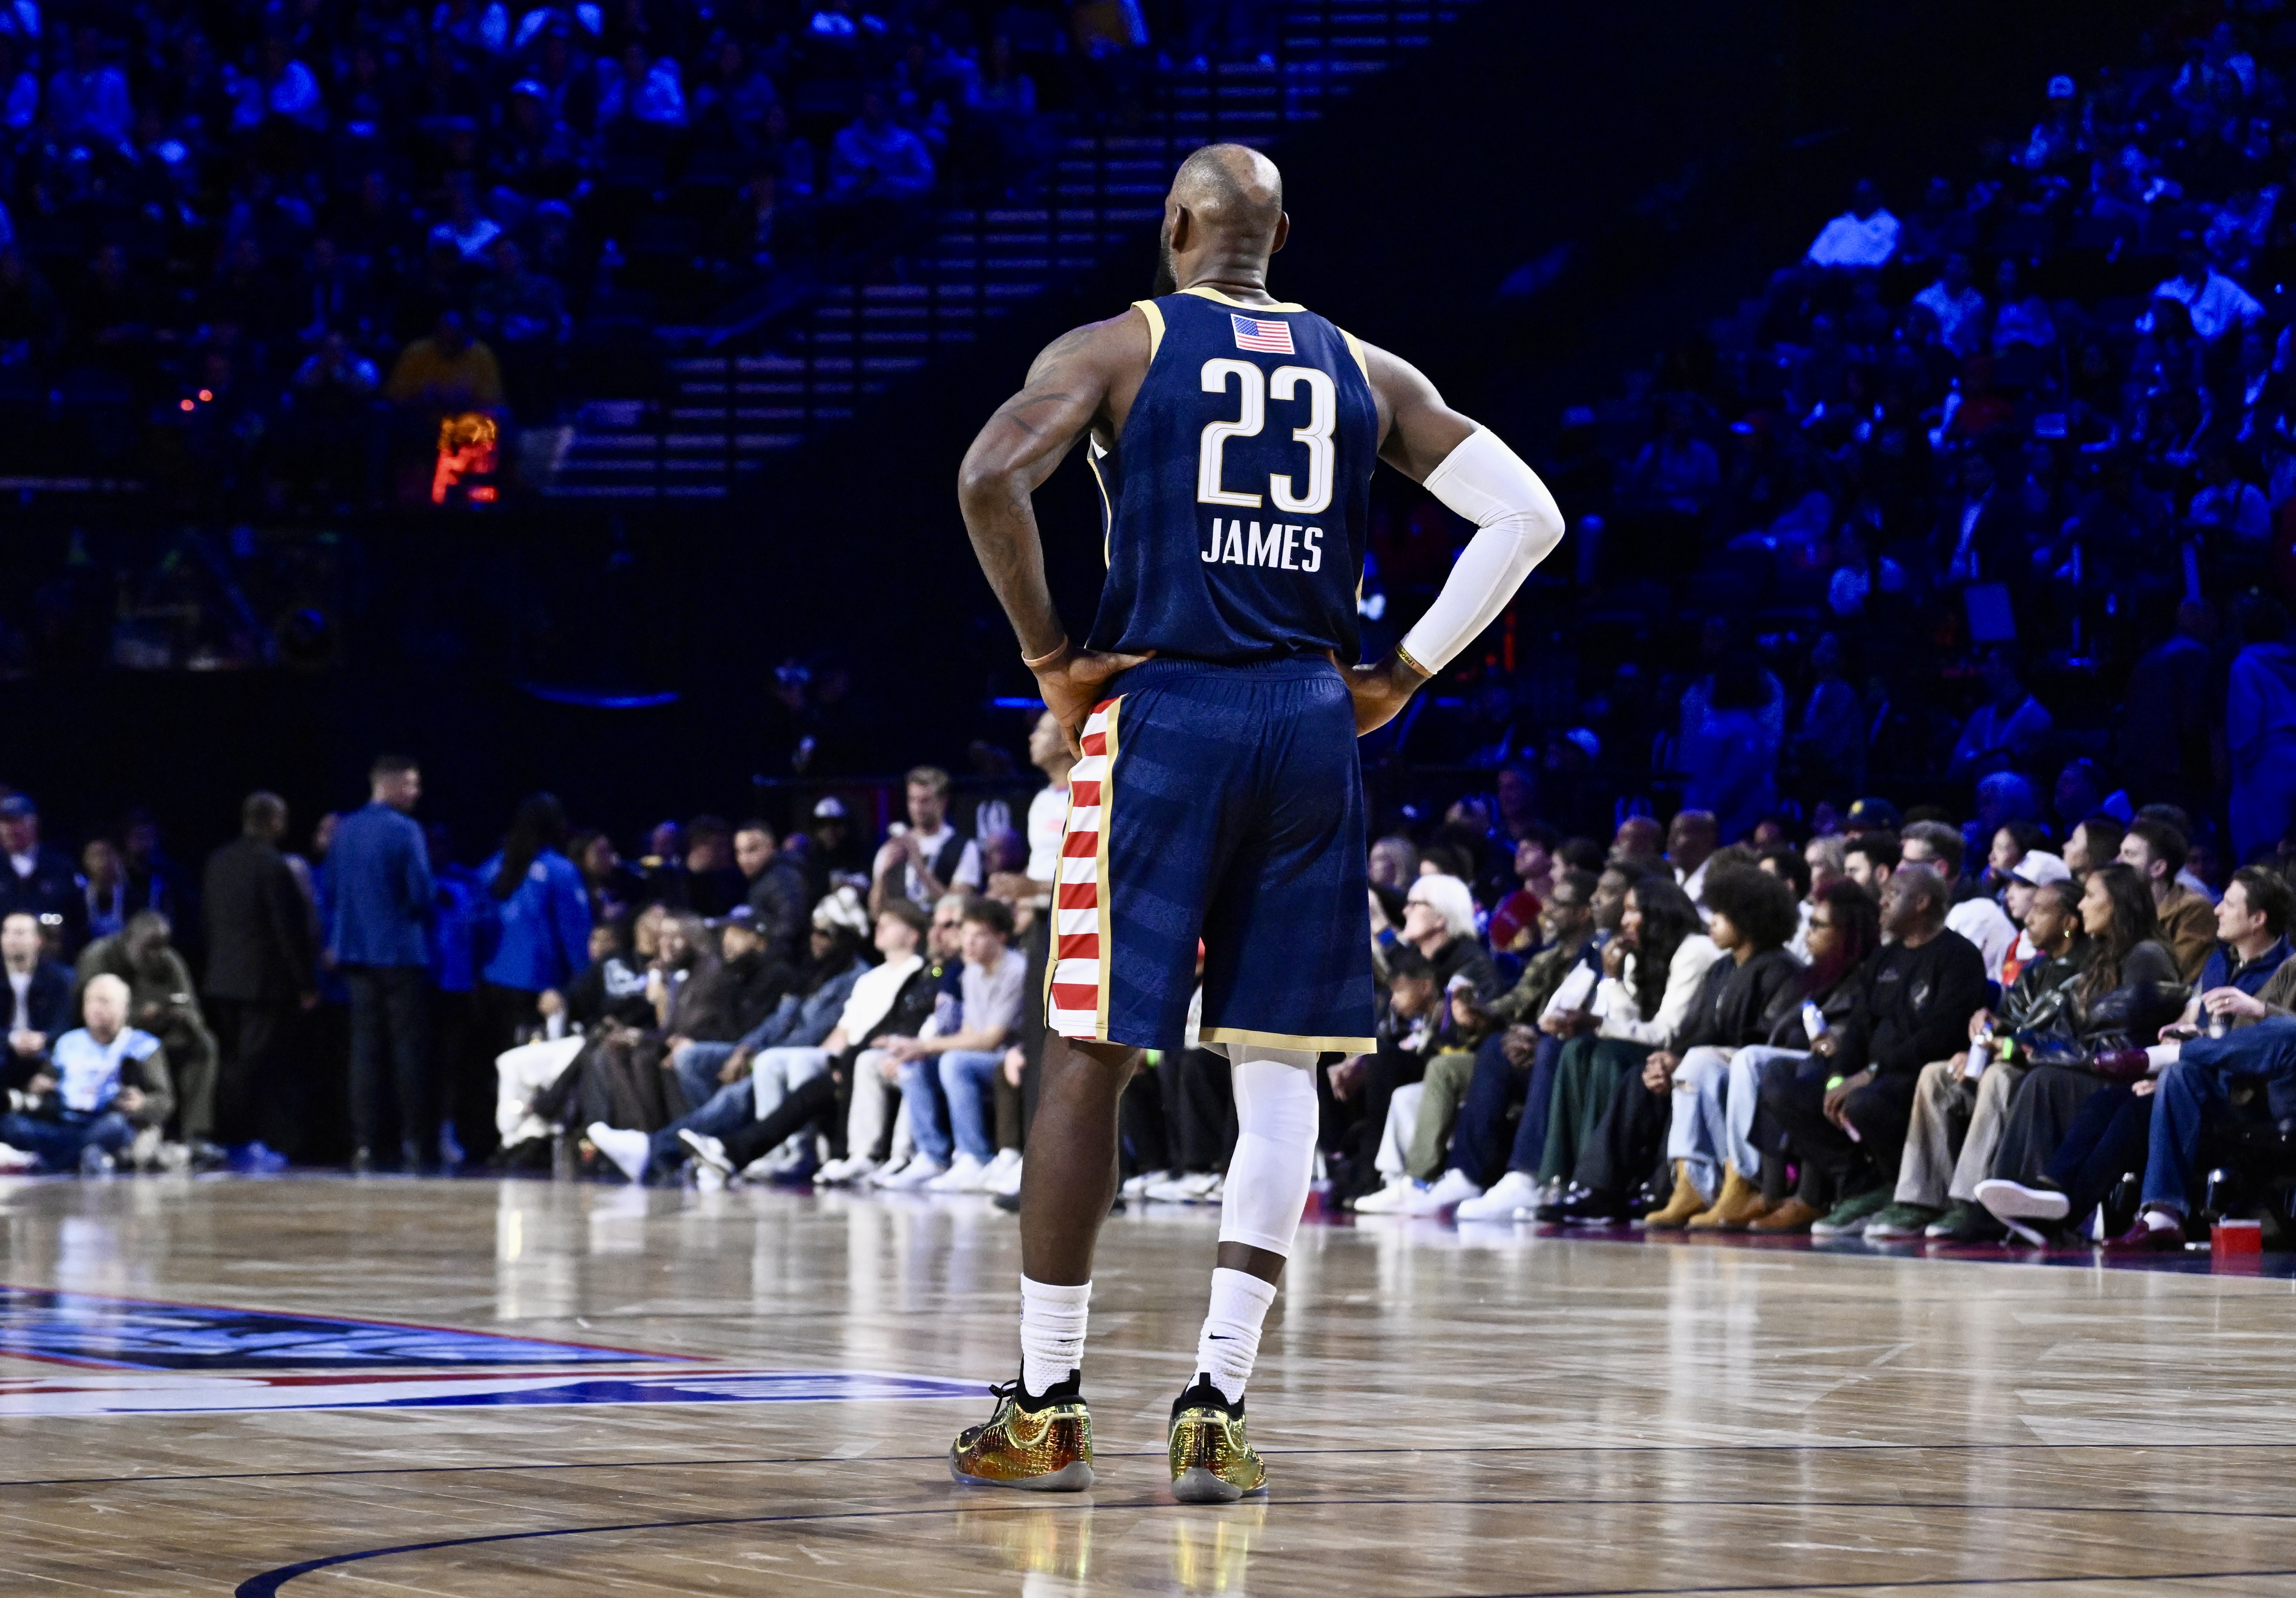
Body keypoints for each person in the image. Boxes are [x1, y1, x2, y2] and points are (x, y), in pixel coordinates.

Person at [948, 143, 1562, 1499]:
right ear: (1284, 235)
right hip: (1304, 721)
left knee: (1087, 1052)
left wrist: (1051, 653)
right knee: (1277, 1067)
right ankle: (1217, 1399)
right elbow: (1529, 515)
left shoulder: (1117, 345)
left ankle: (1049, 1397)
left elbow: (990, 475)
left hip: (1166, 707)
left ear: (1174, 226)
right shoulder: (1367, 368)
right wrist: (1399, 671)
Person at [1762, 866, 1988, 1237]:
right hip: (1869, 1073)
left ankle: (1904, 1191)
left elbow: (1940, 1036)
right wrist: (1838, 1076)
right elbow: (1856, 1030)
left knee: (1866, 1101)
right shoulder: (1883, 958)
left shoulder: (1957, 956)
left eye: (1892, 893)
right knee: (1781, 1086)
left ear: (1920, 902)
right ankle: (1863, 1186)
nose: (1880, 901)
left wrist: (1867, 1074)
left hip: (1922, 1072)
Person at [1861, 876, 2088, 1241]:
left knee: (1998, 1075)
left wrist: (2007, 1044)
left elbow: (2069, 1035)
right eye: (2028, 911)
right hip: (2011, 1059)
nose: (2027, 918)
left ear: (2068, 923)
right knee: (1935, 1074)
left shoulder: (2088, 970)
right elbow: (2015, 1020)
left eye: (2040, 911)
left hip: (2046, 1074)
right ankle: (1922, 1198)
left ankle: (1972, 1200)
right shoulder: (2035, 969)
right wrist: (1990, 1023)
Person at [326, 755, 436, 1172]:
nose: (416, 792)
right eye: (410, 783)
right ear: (387, 785)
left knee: (365, 1051)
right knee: (408, 1051)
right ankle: (414, 1142)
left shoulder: (345, 829)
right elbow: (421, 894)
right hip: (401, 954)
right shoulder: (406, 831)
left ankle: (368, 1143)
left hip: (355, 953)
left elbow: (332, 889)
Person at [881, 895, 1029, 1192]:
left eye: (979, 935)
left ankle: (974, 1156)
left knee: (953, 1062)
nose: (969, 943)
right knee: (915, 1063)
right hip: (984, 1054)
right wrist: (918, 1050)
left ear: (1002, 936)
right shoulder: (972, 972)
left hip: (1011, 1055)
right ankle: (931, 1155)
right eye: (965, 935)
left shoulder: (1016, 969)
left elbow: (991, 1038)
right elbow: (970, 1030)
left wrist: (925, 1045)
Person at [202, 792, 315, 1156]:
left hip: (221, 980)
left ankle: (240, 1135)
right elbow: (288, 931)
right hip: (263, 984)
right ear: (272, 821)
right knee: (254, 1065)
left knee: (237, 1060)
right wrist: (306, 984)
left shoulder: (218, 861)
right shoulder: (272, 865)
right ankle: (239, 1136)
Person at [75, 911, 219, 1162]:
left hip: (159, 1035)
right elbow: (88, 1015)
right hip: (112, 1037)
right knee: (147, 1049)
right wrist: (139, 1018)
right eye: (148, 948)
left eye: (160, 948)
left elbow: (193, 1010)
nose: (155, 955)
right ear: (128, 939)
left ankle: (194, 1135)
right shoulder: (99, 957)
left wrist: (180, 1015)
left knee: (203, 1045)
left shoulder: (169, 961)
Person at [0, 973, 171, 1173]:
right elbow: (44, 1086)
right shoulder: (68, 1042)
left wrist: (143, 1104)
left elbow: (165, 1101)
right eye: (91, 1001)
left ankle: (50, 1163)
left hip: (106, 1122)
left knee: (116, 1127)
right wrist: (39, 1088)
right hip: (65, 1123)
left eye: (105, 1002)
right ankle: (79, 1159)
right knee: (11, 1125)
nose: (96, 1008)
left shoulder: (143, 1046)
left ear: (125, 1009)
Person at [478, 794, 593, 1072]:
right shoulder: (561, 871)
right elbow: (576, 935)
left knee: (498, 1064)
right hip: (541, 987)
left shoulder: (490, 868)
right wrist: (587, 981)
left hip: (491, 983)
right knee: (532, 1069)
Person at [870, 766, 983, 913]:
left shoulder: (965, 847)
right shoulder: (893, 846)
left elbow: (958, 908)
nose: (917, 808)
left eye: (925, 801)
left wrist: (919, 866)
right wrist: (884, 874)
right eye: (912, 800)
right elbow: (875, 911)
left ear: (943, 802)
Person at [2118, 817, 2214, 980]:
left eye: (2129, 855)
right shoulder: (2123, 903)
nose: (2118, 862)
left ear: (2158, 868)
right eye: (2120, 853)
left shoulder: (2194, 910)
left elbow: (2174, 977)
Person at [0, 793, 88, 954]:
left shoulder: (61, 868)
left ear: (34, 823)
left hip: (51, 962)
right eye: (4, 823)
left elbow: (78, 923)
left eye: (16, 822)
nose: (10, 829)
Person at [2, 910, 73, 1081]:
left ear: (38, 941)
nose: (12, 939)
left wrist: (44, 1038)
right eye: (6, 932)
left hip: (45, 1054)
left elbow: (64, 1023)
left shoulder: (59, 979)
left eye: (20, 933)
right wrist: (11, 1038)